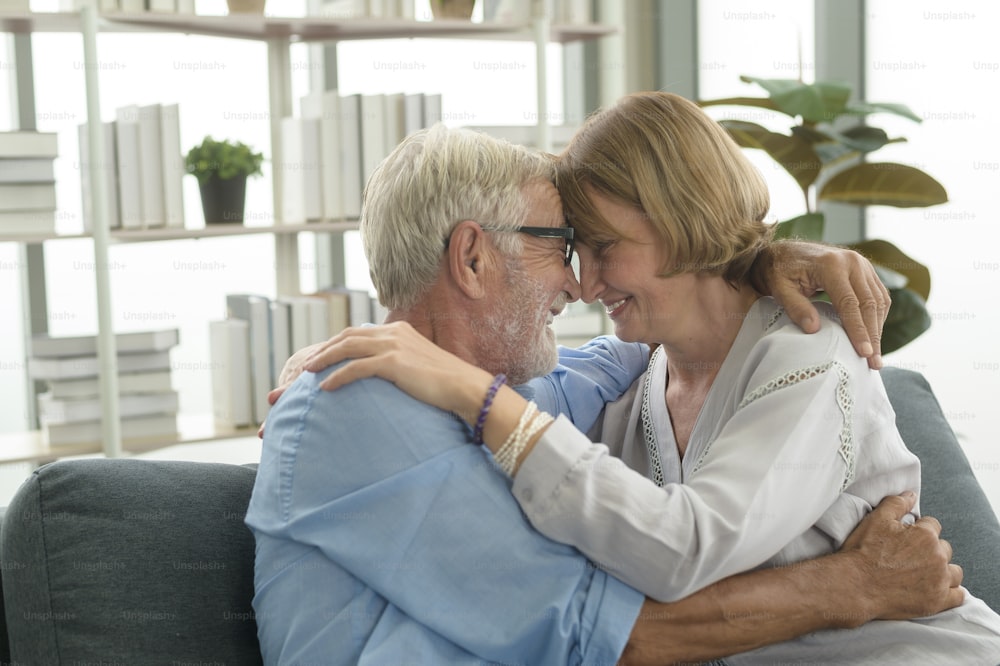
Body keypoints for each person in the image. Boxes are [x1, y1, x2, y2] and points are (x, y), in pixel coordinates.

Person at [245, 122, 962, 666]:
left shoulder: (495, 396)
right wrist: (852, 588)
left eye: (594, 249)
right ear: (472, 257)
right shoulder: (355, 406)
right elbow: (602, 633)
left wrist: (755, 259)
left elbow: (639, 347)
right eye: (562, 246)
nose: (578, 284)